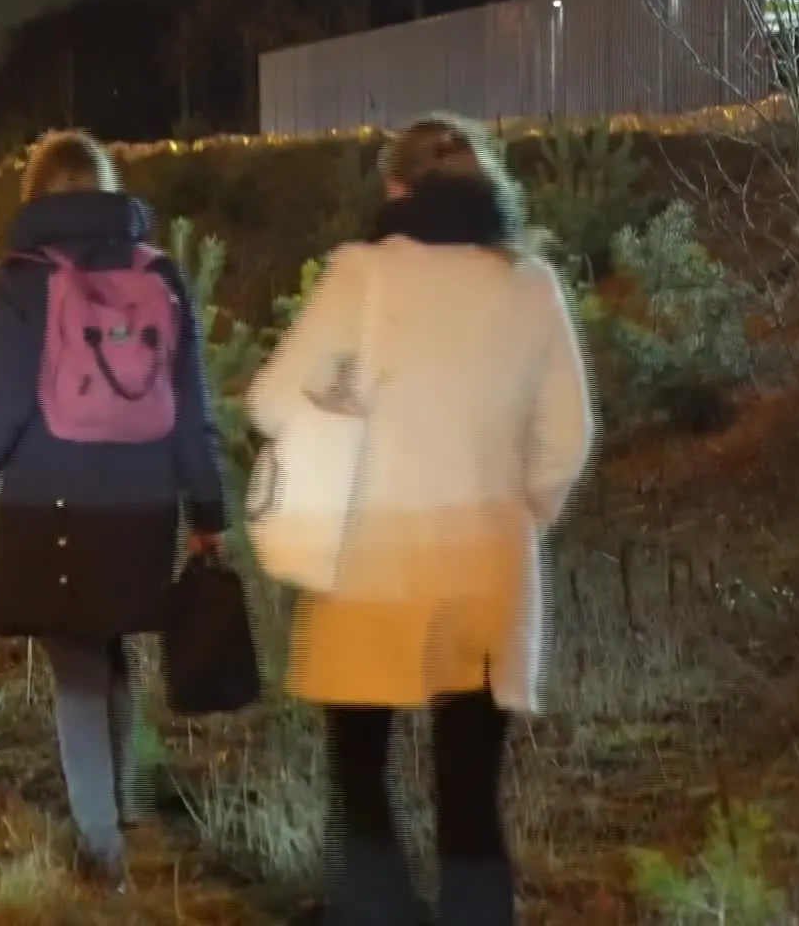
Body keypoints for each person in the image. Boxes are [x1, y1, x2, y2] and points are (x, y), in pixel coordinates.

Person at [247, 113, 595, 924]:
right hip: (486, 563)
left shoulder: (361, 274)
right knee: (470, 788)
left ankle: (374, 911)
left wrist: (343, 403)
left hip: (370, 559)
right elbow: (567, 437)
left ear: (397, 187)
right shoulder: (530, 284)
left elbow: (271, 400)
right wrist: (516, 516)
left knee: (360, 771)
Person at [0, 129, 228, 891]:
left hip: (52, 497)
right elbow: (193, 409)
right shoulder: (158, 272)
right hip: (146, 498)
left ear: (34, 193)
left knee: (75, 666)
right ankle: (123, 804)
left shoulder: (24, 279)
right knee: (112, 641)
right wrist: (208, 510)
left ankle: (100, 846)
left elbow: (0, 412)